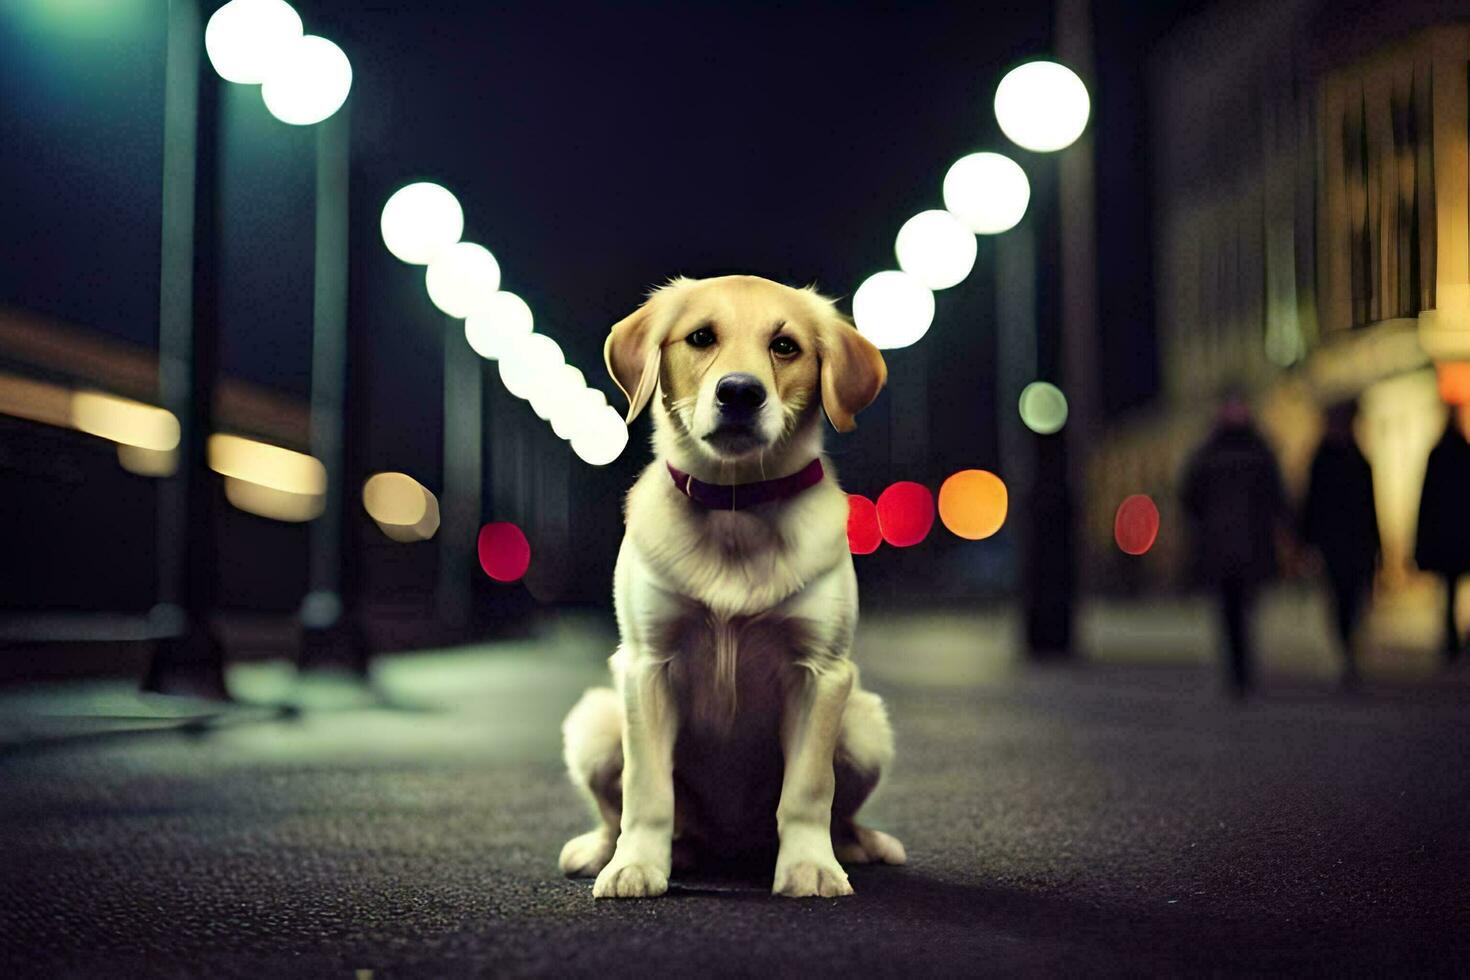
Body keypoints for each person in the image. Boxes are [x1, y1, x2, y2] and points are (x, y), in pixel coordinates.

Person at [1182, 393, 1289, 697]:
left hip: (1225, 547)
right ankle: (1241, 669)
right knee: (1240, 609)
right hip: (1246, 547)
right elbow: (1276, 499)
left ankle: (1237, 669)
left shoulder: (1210, 453)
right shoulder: (1256, 451)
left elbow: (1190, 499)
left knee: (1232, 611)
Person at [1300, 401, 1379, 688]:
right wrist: (1307, 541)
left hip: (1356, 544)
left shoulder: (1358, 460)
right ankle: (1346, 651)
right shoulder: (1323, 462)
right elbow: (1311, 505)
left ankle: (1350, 652)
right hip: (1333, 545)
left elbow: (1370, 508)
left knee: (1354, 599)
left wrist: (1376, 545)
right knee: (1339, 600)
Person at [1414, 405, 1470, 666]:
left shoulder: (1438, 454)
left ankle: (1452, 639)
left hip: (1448, 535)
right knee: (1455, 589)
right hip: (1460, 534)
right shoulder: (1463, 454)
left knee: (1449, 591)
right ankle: (1456, 639)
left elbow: (1427, 502)